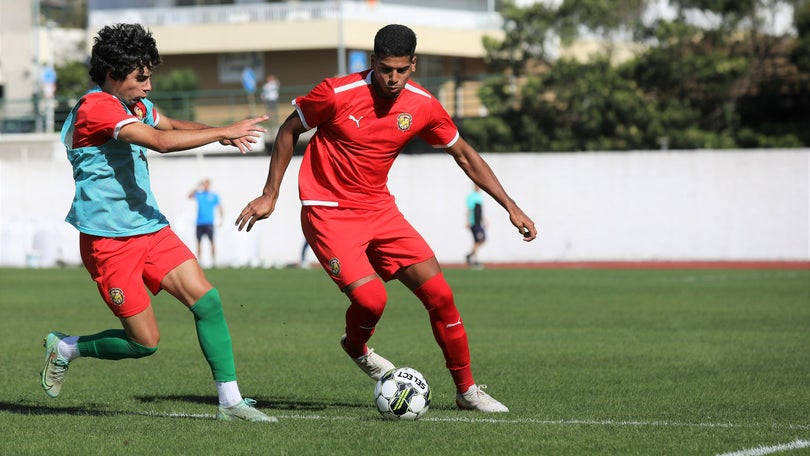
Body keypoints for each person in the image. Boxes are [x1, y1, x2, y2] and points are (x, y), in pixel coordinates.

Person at [236, 24, 537, 412]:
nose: (392, 78)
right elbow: (289, 129)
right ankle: (356, 346)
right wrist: (270, 193)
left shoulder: (423, 105)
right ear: (373, 62)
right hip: (328, 214)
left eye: (401, 70)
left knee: (442, 296)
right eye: (385, 69)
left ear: (414, 64)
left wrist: (510, 205)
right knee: (373, 299)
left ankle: (467, 391)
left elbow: (464, 153)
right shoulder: (336, 93)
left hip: (380, 210)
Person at [40, 23, 275, 422]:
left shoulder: (133, 105)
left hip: (150, 229)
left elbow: (171, 126)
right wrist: (224, 129)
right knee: (145, 342)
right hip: (109, 243)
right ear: (114, 75)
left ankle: (230, 403)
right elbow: (161, 143)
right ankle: (65, 348)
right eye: (141, 77)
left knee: (209, 302)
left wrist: (217, 136)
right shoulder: (96, 108)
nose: (148, 85)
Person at [188, 178, 224, 265]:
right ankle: (199, 262)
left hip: (209, 222)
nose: (205, 186)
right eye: (204, 184)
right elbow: (189, 196)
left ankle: (214, 262)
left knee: (212, 242)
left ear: (209, 185)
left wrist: (221, 219)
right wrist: (197, 186)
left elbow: (220, 207)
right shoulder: (199, 194)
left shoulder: (214, 196)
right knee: (199, 242)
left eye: (207, 184)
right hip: (199, 223)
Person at [465, 185, 486, 267]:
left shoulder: (479, 196)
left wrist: (484, 220)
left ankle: (470, 255)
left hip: (479, 222)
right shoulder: (471, 196)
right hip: (473, 222)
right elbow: (469, 209)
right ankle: (475, 260)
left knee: (481, 240)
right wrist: (468, 221)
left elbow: (480, 210)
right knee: (478, 240)